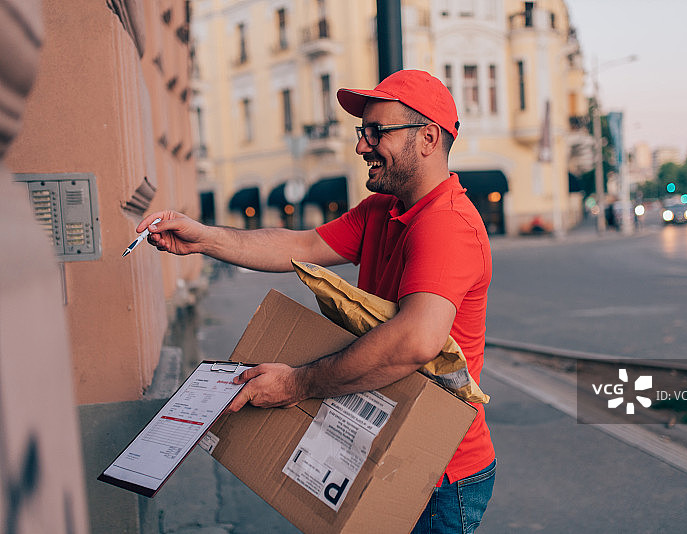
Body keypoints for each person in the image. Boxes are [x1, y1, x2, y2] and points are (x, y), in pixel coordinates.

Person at [138, 69, 495, 533]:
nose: (362, 146)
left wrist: (294, 385)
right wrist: (204, 239)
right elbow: (302, 248)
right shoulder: (381, 210)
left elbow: (415, 341)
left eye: (375, 132)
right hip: (386, 441)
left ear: (427, 138)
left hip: (437, 473)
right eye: (361, 132)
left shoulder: (446, 223)